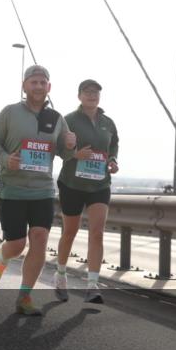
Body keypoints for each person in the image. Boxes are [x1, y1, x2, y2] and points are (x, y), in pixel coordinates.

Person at [0, 64, 76, 316]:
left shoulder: (57, 119)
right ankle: (3, 258)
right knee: (16, 244)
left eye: (43, 82)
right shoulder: (10, 112)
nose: (38, 86)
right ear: (24, 85)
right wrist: (7, 161)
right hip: (13, 189)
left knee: (39, 240)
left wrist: (71, 144)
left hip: (43, 190)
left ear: (49, 87)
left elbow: (65, 153)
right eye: (33, 82)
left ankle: (25, 296)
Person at [54, 79, 119, 304]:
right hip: (72, 184)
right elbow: (58, 149)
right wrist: (74, 155)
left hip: (99, 184)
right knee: (70, 232)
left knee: (97, 232)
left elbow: (113, 146)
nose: (92, 95)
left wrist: (112, 160)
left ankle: (92, 284)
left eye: (96, 92)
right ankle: (60, 274)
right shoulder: (68, 120)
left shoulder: (108, 122)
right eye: (88, 92)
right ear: (79, 96)